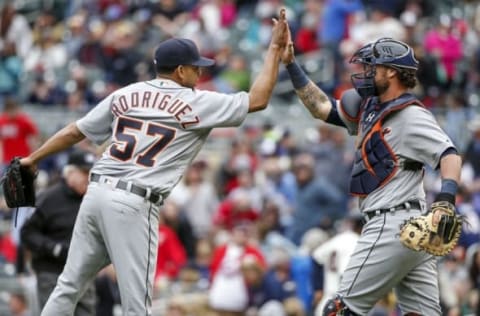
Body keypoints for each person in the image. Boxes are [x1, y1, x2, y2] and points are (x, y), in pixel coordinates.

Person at [19, 8, 289, 316]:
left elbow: (73, 131)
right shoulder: (196, 100)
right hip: (133, 202)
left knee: (68, 285)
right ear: (179, 72)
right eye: (194, 67)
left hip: (96, 194)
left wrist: (32, 158)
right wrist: (274, 49)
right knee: (137, 305)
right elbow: (258, 99)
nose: (199, 73)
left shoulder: (126, 93)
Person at [281, 35, 462, 315]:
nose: (365, 73)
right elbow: (321, 108)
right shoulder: (370, 108)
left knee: (338, 310)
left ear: (391, 70)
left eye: (372, 67)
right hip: (415, 231)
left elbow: (449, 155)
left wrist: (447, 199)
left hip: (391, 223)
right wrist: (292, 64)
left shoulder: (411, 116)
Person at [20, 149, 97, 315]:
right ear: (70, 172)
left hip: (83, 275)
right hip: (52, 273)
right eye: (84, 172)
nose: (88, 177)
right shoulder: (49, 197)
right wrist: (53, 248)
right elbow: (27, 233)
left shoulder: (93, 200)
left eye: (91, 173)